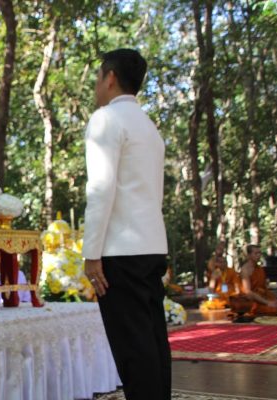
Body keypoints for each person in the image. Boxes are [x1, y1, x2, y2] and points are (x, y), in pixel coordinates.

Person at [82, 49, 170, 400]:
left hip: (121, 250)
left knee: (133, 350)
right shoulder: (148, 126)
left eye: (98, 76)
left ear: (111, 78)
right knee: (153, 342)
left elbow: (101, 189)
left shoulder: (106, 119)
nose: (96, 85)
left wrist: (92, 253)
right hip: (151, 245)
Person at [232, 244, 277, 316]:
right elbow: (248, 292)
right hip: (251, 299)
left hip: (262, 296)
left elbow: (264, 288)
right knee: (275, 310)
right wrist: (267, 303)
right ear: (249, 255)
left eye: (259, 253)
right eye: (256, 253)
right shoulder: (245, 270)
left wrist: (276, 301)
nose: (258, 255)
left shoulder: (259, 268)